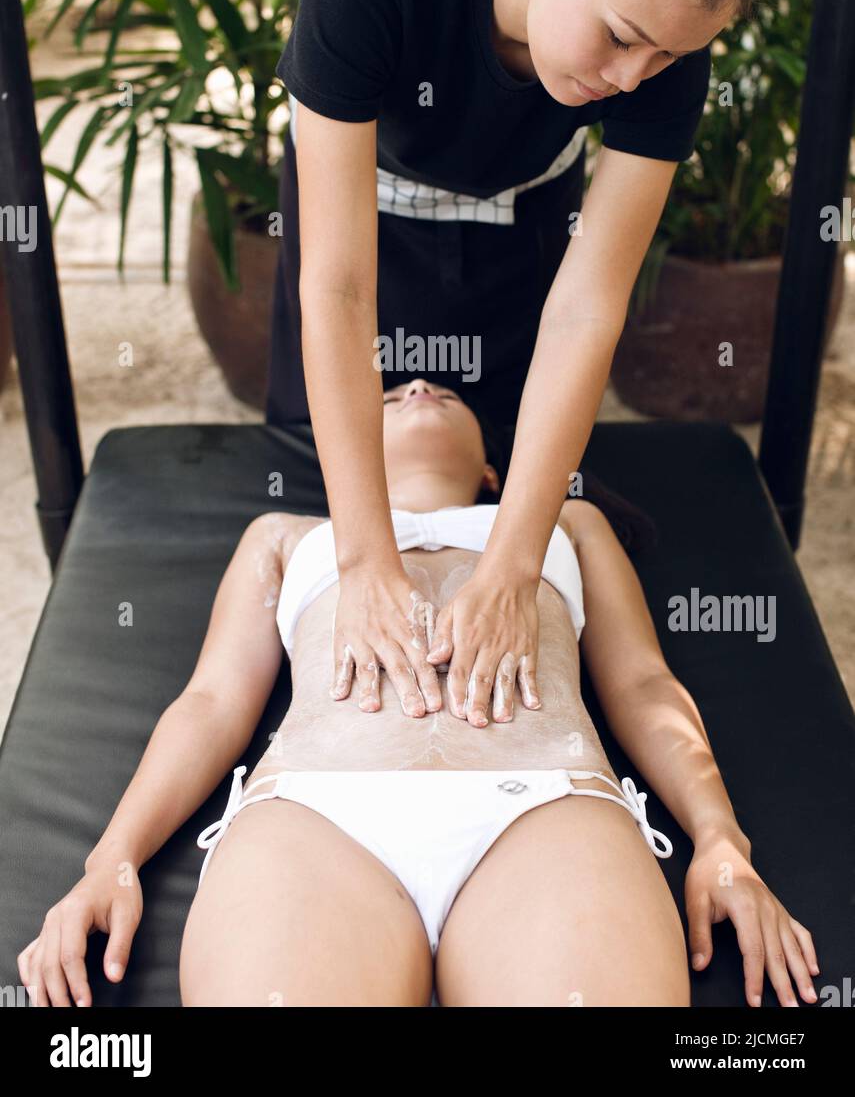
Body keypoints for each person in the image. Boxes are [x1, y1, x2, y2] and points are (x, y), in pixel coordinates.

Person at [17, 380, 819, 1008]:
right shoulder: (286, 537)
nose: (418, 387)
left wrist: (720, 842)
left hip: (544, 805)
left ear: (492, 471)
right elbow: (212, 703)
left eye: (445, 395)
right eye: (390, 394)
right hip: (316, 814)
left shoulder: (564, 523)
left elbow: (644, 683)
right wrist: (110, 858)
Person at [264, 0, 774, 720]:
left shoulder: (664, 44)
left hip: (522, 233)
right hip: (365, 225)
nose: (632, 79)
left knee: (497, 479)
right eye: (620, 39)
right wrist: (367, 561)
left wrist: (513, 562)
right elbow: (336, 290)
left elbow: (587, 306)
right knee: (328, 502)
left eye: (662, 60)